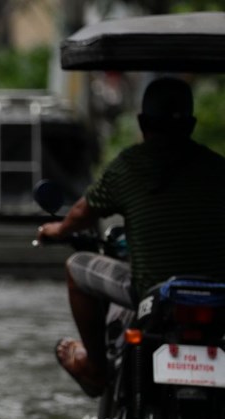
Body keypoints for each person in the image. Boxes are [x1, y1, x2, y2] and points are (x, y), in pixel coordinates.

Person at [37, 76, 225, 397]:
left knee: (75, 267)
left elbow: (83, 211)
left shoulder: (129, 166)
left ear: (141, 122)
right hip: (218, 295)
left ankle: (95, 368)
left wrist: (56, 229)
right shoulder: (217, 168)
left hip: (153, 293)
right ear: (192, 124)